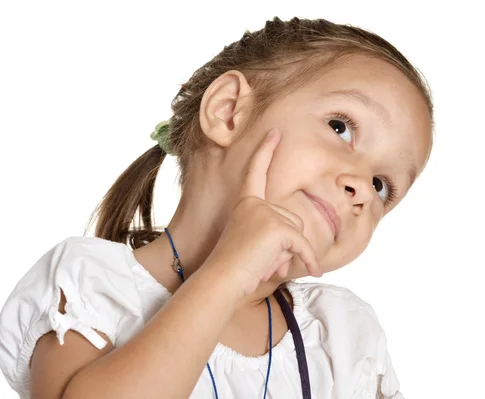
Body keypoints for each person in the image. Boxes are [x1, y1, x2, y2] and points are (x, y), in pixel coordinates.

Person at [0, 16, 434, 398]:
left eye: (382, 185)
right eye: (340, 127)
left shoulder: (341, 336)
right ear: (228, 112)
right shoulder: (91, 287)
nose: (362, 186)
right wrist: (229, 272)